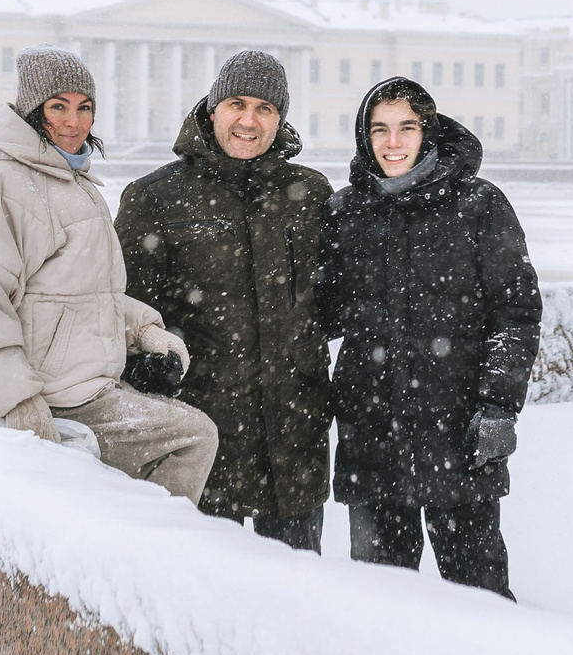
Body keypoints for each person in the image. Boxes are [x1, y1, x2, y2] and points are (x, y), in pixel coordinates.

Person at [0, 47, 217, 503]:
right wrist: (17, 400)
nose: (73, 122)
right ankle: (152, 551)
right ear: (32, 111)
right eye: (57, 107)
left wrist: (141, 328)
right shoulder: (4, 182)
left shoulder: (67, 180)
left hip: (76, 385)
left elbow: (78, 292)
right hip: (47, 396)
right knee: (191, 436)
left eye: (85, 108)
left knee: (183, 431)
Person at [320, 75, 542, 598]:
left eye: (406, 128)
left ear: (429, 132)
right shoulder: (345, 212)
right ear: (363, 137)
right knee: (381, 600)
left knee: (480, 596)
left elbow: (517, 313)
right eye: (379, 130)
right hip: (372, 434)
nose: (392, 142)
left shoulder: (480, 206)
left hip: (459, 436)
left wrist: (498, 408)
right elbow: (321, 315)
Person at [116, 49, 334, 549]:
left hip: (294, 433)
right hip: (202, 432)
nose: (249, 121)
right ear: (213, 108)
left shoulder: (312, 193)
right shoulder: (156, 197)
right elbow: (122, 310)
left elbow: (334, 301)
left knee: (300, 591)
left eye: (265, 109)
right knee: (210, 593)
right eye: (237, 103)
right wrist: (149, 367)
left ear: (280, 119)